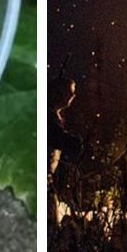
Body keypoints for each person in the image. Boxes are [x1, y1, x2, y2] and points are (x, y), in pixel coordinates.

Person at [48, 76, 81, 224]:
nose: (73, 96)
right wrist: (77, 143)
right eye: (70, 92)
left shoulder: (53, 115)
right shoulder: (48, 116)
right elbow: (56, 138)